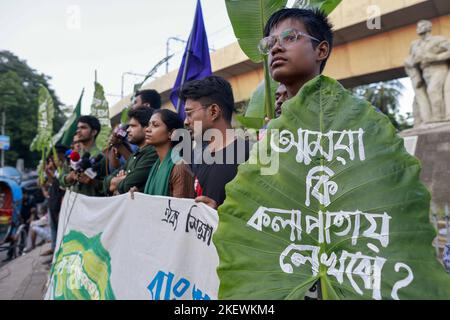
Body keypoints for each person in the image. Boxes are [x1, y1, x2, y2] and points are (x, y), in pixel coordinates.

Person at [179, 76, 251, 209]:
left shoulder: (251, 155)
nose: (186, 121)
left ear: (213, 111)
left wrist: (218, 214)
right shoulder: (198, 157)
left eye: (189, 113)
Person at [260, 8, 333, 100]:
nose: (274, 48)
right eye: (270, 44)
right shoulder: (282, 114)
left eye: (289, 37)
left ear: (321, 51)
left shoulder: (346, 111)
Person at [139, 109, 195, 198]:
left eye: (155, 125)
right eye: (149, 125)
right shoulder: (157, 165)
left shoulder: (179, 167)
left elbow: (180, 209)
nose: (147, 129)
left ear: (171, 133)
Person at [103, 107, 158, 195]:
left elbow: (127, 185)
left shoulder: (153, 153)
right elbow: (106, 182)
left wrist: (119, 182)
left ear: (146, 128)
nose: (128, 130)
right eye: (128, 126)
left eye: (133, 126)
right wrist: (124, 178)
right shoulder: (134, 155)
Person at [59, 115, 106, 197]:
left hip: (92, 205)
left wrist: (91, 181)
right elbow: (61, 180)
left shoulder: (102, 157)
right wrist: (69, 177)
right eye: (78, 128)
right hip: (73, 205)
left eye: (83, 128)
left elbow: (108, 186)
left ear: (94, 132)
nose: (78, 131)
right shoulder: (73, 155)